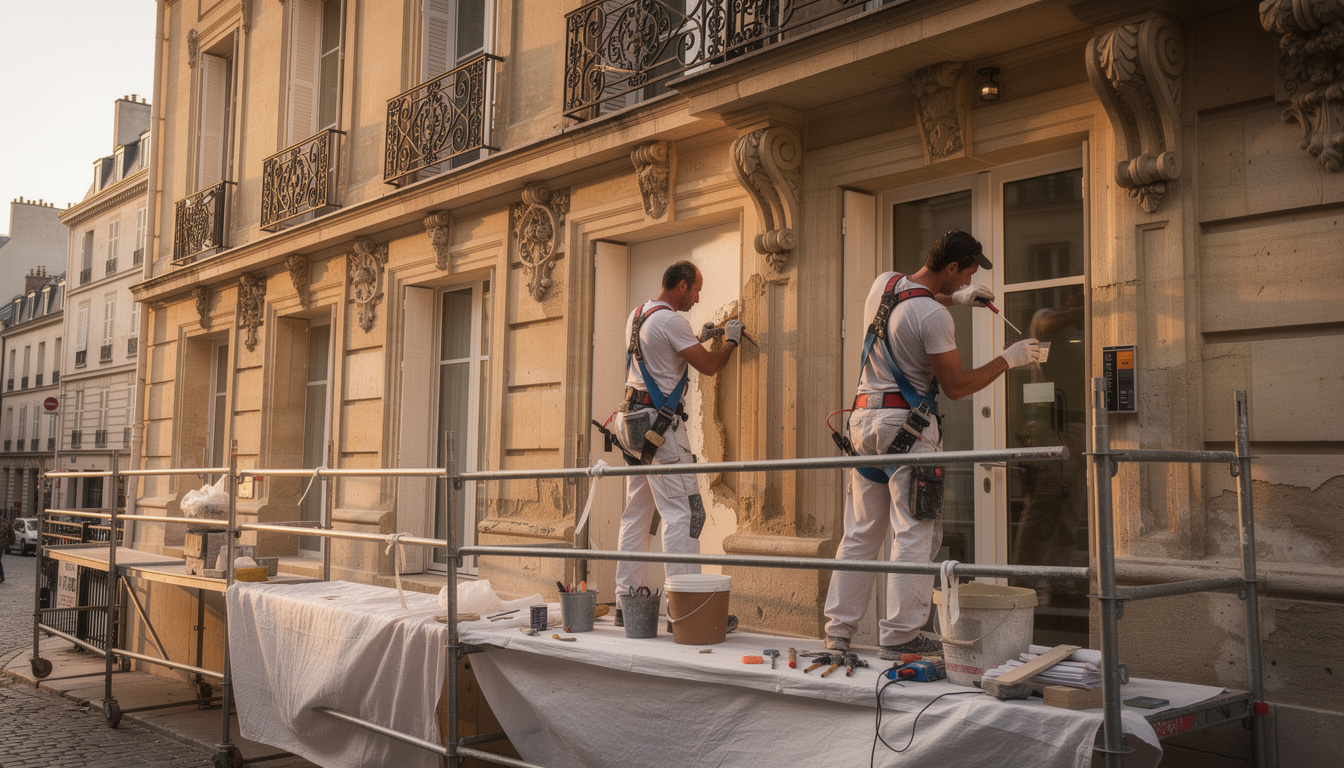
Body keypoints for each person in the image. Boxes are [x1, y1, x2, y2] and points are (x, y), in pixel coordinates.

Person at [823, 230, 1041, 659]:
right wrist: (1008, 359)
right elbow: (956, 387)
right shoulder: (934, 318)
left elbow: (913, 300)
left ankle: (839, 632)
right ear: (951, 268)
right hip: (908, 428)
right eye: (965, 278)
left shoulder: (884, 284)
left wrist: (956, 299)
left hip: (864, 424)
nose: (965, 284)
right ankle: (902, 635)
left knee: (861, 534)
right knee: (914, 533)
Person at [612, 261, 741, 607]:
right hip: (660, 428)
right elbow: (710, 367)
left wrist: (701, 337)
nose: (697, 299)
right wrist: (730, 341)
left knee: (637, 515)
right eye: (696, 290)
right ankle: (686, 608)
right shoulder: (672, 320)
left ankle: (628, 600)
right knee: (685, 513)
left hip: (633, 425)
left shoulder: (638, 314)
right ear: (681, 286)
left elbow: (663, 356)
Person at [0, 514, 13, 583]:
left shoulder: (5, 522)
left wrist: (10, 542)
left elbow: (11, 533)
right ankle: (1, 576)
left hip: (1, 544)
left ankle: (1, 576)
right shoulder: (5, 522)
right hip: (2, 544)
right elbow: (11, 533)